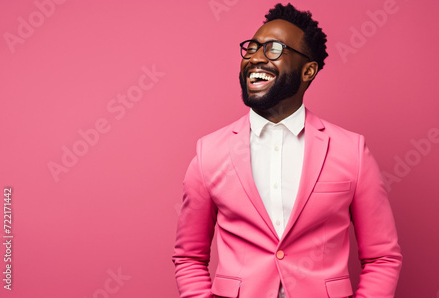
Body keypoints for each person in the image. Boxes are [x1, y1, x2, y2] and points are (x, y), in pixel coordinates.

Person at [172, 3, 402, 297]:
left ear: (308, 70)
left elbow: (381, 256)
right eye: (252, 48)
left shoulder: (352, 152)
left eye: (273, 49)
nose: (255, 58)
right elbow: (189, 257)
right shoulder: (209, 153)